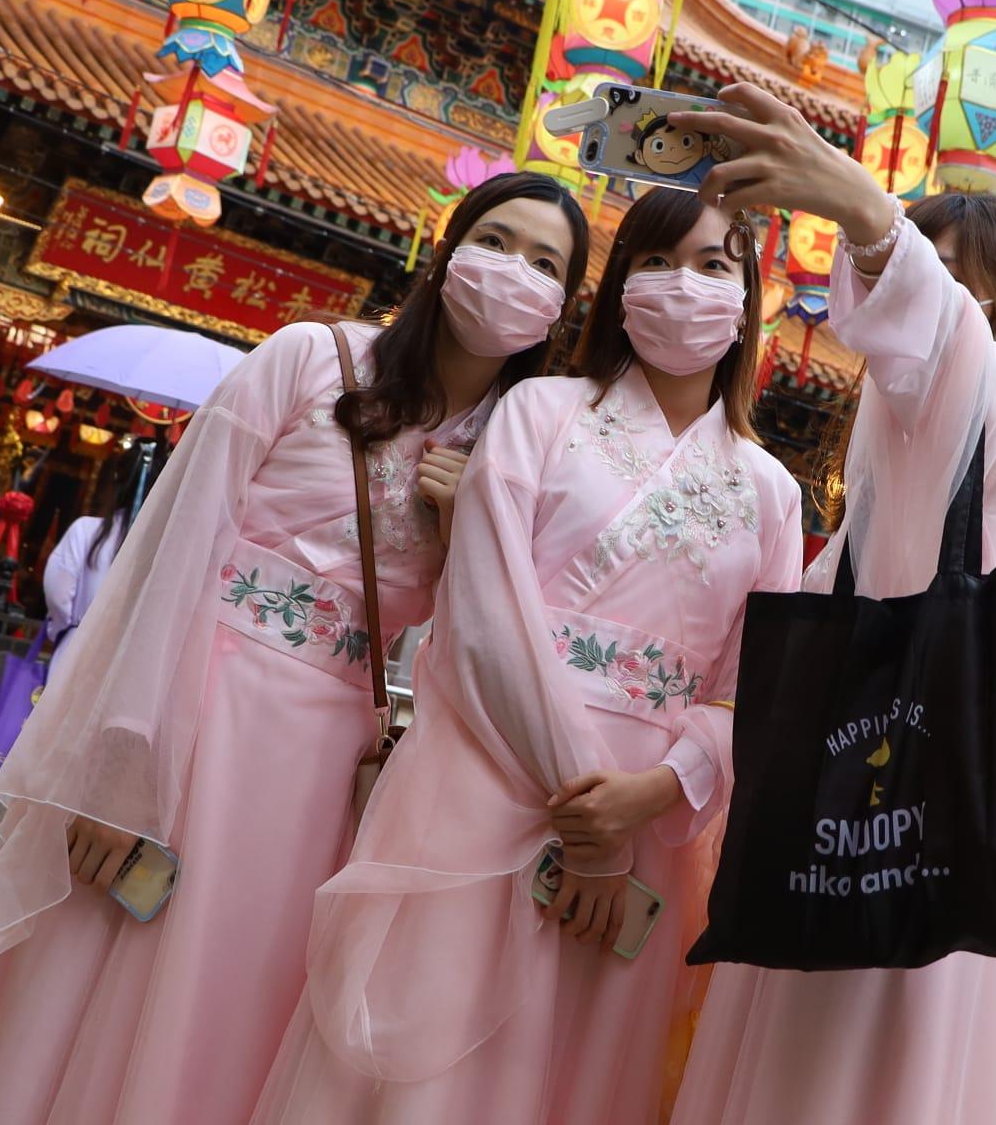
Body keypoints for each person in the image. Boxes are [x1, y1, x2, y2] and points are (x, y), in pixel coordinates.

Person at [0, 172, 591, 1125]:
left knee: (237, 1001)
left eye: (545, 263)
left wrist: (472, 522)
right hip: (202, 708)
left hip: (327, 760)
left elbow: (483, 641)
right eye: (496, 241)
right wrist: (119, 768)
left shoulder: (513, 448)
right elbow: (173, 553)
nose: (513, 272)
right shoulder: (311, 356)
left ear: (561, 308)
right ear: (446, 252)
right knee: (108, 966)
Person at [249, 188, 803, 1124]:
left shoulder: (773, 490)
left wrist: (654, 794)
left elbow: (755, 689)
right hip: (491, 775)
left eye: (714, 266)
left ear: (749, 304)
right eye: (657, 262)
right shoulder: (539, 412)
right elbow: (483, 613)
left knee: (580, 1080)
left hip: (647, 823)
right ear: (619, 290)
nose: (685, 285)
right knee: (432, 1073)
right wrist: (590, 818)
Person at [665, 84, 996, 1125]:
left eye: (948, 281)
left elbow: (940, 346)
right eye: (916, 267)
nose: (917, 304)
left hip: (932, 818)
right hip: (851, 809)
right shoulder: (889, 432)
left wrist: (866, 212)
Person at [40, 442, 164, 679]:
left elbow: (58, 596)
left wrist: (62, 629)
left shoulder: (85, 531)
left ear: (117, 480)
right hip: (130, 664)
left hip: (77, 650)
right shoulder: (160, 549)